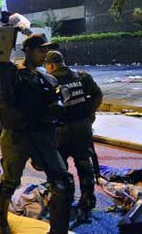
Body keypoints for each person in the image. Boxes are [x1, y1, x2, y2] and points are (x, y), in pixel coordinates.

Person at [0, 34, 74, 234]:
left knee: (63, 183)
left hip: (43, 135)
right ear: (27, 50)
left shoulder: (47, 77)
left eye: (46, 50)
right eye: (40, 50)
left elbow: (57, 102)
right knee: (10, 182)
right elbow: (5, 99)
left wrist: (57, 107)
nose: (44, 54)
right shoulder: (11, 73)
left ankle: (57, 230)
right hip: (18, 135)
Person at [45, 50, 103, 221]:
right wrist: (90, 115)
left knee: (59, 168)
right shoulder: (82, 77)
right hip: (82, 128)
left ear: (51, 65)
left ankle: (63, 201)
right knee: (84, 165)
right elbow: (98, 95)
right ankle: (87, 201)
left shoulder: (48, 81)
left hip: (61, 132)